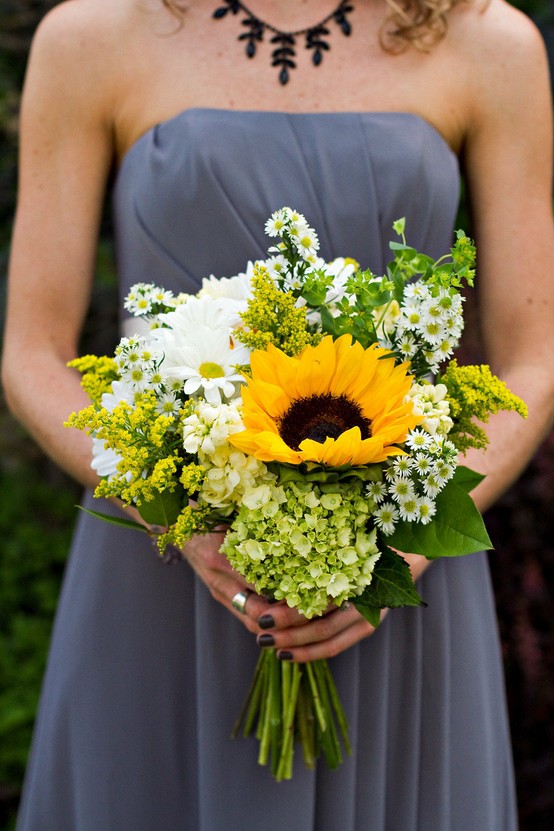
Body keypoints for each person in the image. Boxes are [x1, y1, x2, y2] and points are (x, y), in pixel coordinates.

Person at [2, 0, 553, 828]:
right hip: (162, 568)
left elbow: (534, 361)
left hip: (400, 572)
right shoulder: (92, 34)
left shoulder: (488, 39)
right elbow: (33, 355)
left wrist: (400, 545)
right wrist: (175, 507)